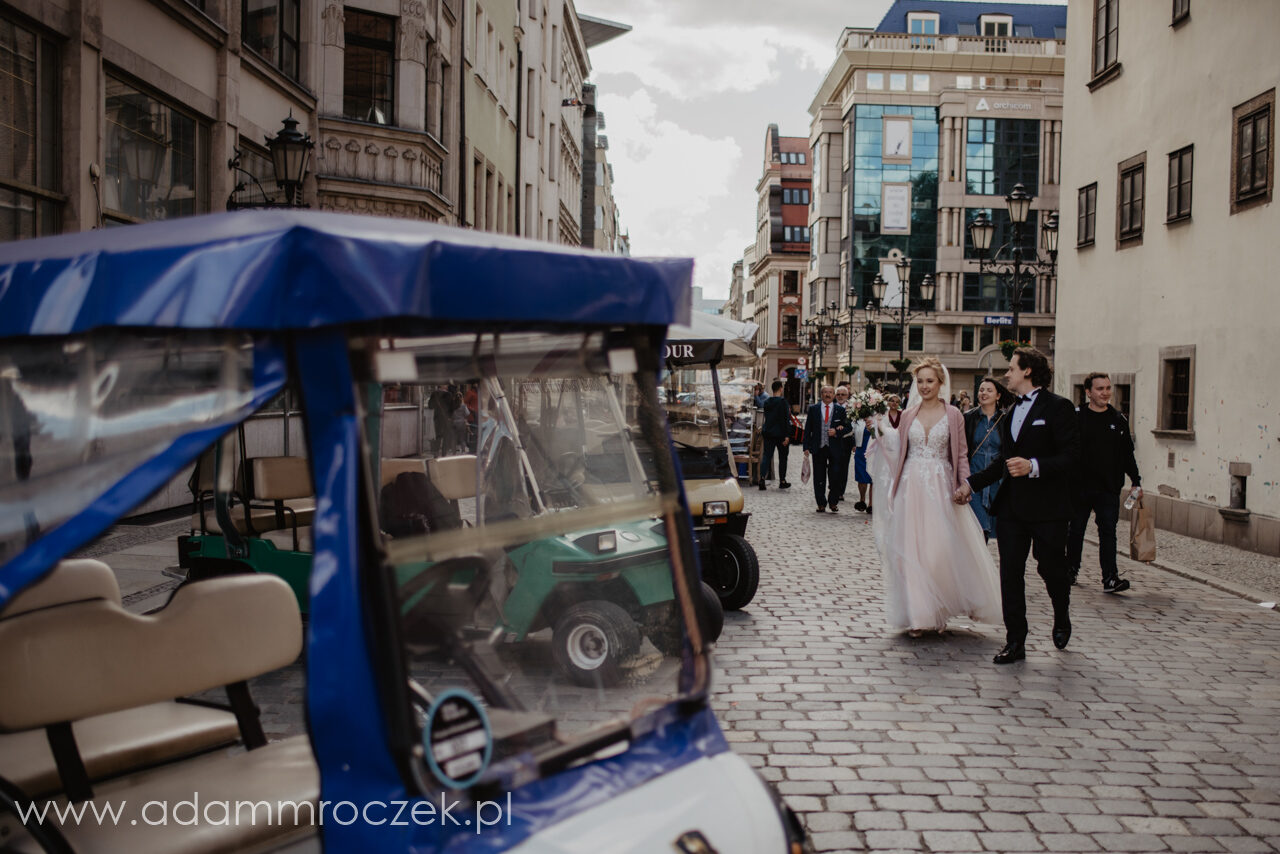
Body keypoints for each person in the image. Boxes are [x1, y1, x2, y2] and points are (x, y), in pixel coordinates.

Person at [958, 347, 1081, 665]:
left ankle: (1061, 612)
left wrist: (1034, 466)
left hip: (1048, 507)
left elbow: (1072, 457)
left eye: (1011, 368)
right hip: (1011, 506)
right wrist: (970, 484)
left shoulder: (1059, 407)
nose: (1006, 374)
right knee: (1010, 573)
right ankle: (1015, 641)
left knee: (1050, 567)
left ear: (1027, 371)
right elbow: (1003, 461)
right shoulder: (1011, 412)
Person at [869, 357, 1002, 636]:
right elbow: (897, 445)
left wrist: (965, 485)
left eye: (930, 381)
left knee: (938, 551)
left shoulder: (954, 415)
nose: (925, 386)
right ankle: (919, 615)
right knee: (911, 551)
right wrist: (877, 427)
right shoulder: (908, 415)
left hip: (941, 487)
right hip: (911, 487)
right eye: (920, 381)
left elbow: (961, 454)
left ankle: (939, 609)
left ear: (940, 383)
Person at [1067, 372, 1141, 593]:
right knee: (1075, 531)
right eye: (1100, 389)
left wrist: (1136, 481)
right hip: (1079, 487)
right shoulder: (1076, 417)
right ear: (1088, 392)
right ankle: (1070, 570)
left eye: (1108, 388)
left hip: (1108, 487)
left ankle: (1110, 578)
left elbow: (1127, 455)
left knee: (1108, 533)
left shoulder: (1118, 420)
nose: (1105, 393)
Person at [963, 377, 1009, 542]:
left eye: (989, 390)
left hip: (997, 481)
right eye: (981, 390)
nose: (984, 393)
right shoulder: (968, 418)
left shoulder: (1005, 419)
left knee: (998, 526)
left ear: (998, 396)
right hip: (974, 477)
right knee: (980, 527)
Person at [802, 384, 849, 512]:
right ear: (821, 394)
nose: (828, 395)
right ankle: (821, 503)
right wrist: (806, 446)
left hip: (835, 448)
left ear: (834, 395)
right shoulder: (814, 409)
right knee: (819, 477)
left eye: (830, 392)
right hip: (819, 447)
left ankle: (833, 502)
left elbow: (848, 427)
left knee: (835, 476)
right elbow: (808, 429)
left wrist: (837, 431)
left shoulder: (840, 410)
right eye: (825, 392)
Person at [759, 380, 792, 491]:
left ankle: (762, 478)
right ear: (781, 388)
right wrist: (787, 435)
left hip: (768, 432)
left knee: (767, 456)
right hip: (781, 434)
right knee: (783, 457)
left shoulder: (767, 402)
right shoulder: (783, 402)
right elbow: (785, 419)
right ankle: (782, 481)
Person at [831, 386, 855, 505]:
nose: (840, 396)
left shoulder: (852, 408)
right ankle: (833, 487)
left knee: (844, 467)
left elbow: (855, 426)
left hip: (846, 440)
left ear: (847, 396)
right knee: (833, 465)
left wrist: (855, 443)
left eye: (843, 394)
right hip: (833, 440)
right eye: (838, 394)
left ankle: (840, 491)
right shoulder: (831, 406)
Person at [852, 415, 874, 513]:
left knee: (873, 478)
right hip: (861, 451)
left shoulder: (878, 416)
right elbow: (851, 431)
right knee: (861, 477)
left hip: (874, 451)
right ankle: (862, 500)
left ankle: (871, 504)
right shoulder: (857, 417)